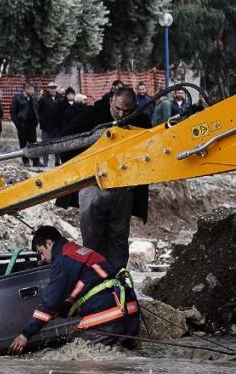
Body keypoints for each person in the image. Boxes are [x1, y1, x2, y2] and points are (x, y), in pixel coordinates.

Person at [56, 87, 152, 269]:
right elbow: (64, 141)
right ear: (110, 101)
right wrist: (81, 173)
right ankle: (94, 277)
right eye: (117, 109)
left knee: (119, 238)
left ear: (134, 107)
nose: (121, 114)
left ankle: (117, 279)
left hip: (123, 188)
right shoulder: (92, 115)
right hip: (92, 187)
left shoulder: (141, 120)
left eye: (126, 111)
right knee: (92, 238)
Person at [8, 225, 140, 354]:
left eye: (41, 252)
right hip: (129, 313)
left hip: (108, 319)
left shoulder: (63, 260)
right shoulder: (78, 251)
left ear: (49, 243)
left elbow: (49, 303)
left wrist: (25, 335)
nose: (42, 259)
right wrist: (64, 308)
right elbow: (88, 284)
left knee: (81, 364)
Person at [11, 83, 39, 166]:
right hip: (22, 125)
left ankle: (35, 161)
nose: (32, 91)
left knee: (34, 144)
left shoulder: (33, 98)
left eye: (32, 90)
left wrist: (37, 120)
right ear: (26, 89)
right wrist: (18, 125)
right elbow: (13, 112)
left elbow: (36, 109)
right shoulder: (18, 98)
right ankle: (26, 161)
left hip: (32, 125)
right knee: (23, 144)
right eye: (31, 89)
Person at [38, 82, 62, 166]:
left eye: (54, 88)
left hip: (57, 126)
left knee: (58, 144)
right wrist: (42, 121)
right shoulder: (43, 98)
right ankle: (45, 162)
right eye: (51, 88)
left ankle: (57, 161)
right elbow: (39, 110)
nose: (53, 90)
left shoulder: (60, 98)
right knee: (45, 144)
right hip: (46, 126)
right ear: (48, 89)